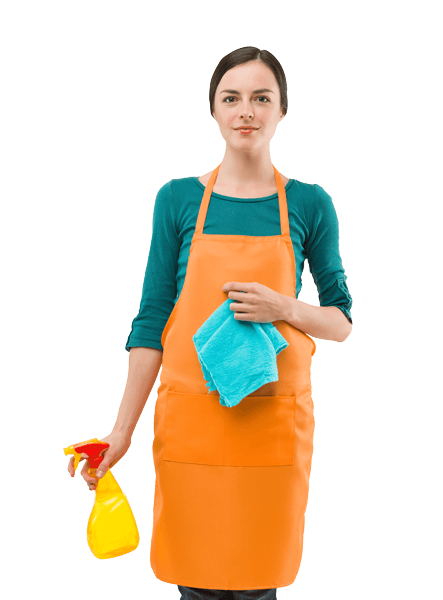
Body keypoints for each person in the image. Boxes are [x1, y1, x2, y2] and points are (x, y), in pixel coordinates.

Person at [67, 46, 352, 600]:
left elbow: (340, 321)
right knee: (195, 583)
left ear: (280, 111)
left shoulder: (310, 204)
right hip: (194, 420)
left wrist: (284, 308)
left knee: (260, 583)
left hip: (271, 424)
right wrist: (120, 432)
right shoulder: (177, 200)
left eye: (261, 98)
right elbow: (151, 322)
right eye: (232, 98)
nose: (246, 110)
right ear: (215, 111)